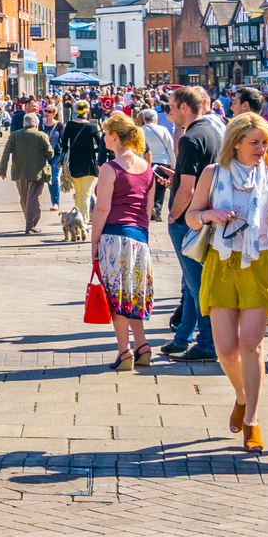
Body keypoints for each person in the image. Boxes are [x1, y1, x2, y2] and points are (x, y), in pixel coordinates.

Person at [183, 112, 268, 453]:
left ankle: (253, 420)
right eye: (254, 142)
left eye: (265, 143)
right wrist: (208, 215)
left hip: (258, 263)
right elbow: (191, 216)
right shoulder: (213, 174)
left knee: (251, 345)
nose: (261, 149)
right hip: (221, 261)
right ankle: (242, 396)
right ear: (237, 142)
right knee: (226, 350)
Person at [88, 114, 157, 371]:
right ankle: (142, 345)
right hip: (140, 238)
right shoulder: (147, 168)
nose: (103, 137)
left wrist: (94, 241)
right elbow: (148, 209)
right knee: (133, 295)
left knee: (116, 297)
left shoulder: (111, 168)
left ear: (114, 136)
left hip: (115, 235)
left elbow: (102, 208)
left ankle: (123, 350)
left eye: (106, 133)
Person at [161, 86, 220, 362]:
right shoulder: (212, 133)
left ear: (184, 106)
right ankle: (182, 337)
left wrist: (173, 215)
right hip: (206, 214)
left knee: (197, 285)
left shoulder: (188, 138)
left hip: (190, 218)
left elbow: (188, 188)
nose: (168, 110)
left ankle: (207, 343)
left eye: (171, 105)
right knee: (190, 283)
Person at [1, 112, 53, 235]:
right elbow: (49, 154)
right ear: (36, 124)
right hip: (38, 172)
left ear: (24, 124)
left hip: (20, 172)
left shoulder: (14, 135)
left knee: (24, 198)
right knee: (34, 199)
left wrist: (2, 171)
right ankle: (30, 225)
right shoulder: (42, 136)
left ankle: (29, 221)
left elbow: (6, 153)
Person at [63, 102, 103, 223]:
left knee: (78, 193)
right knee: (86, 193)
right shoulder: (92, 126)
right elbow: (100, 144)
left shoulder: (69, 125)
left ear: (75, 111)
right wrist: (93, 150)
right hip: (89, 163)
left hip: (74, 163)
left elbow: (64, 145)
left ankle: (77, 219)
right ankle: (84, 221)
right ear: (87, 111)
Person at [140, 106, 175, 220]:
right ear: (155, 119)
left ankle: (147, 208)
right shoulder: (163, 130)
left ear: (144, 119)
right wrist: (173, 165)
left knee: (147, 187)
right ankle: (157, 209)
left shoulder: (140, 131)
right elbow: (170, 148)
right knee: (160, 187)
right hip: (162, 162)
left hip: (146, 162)